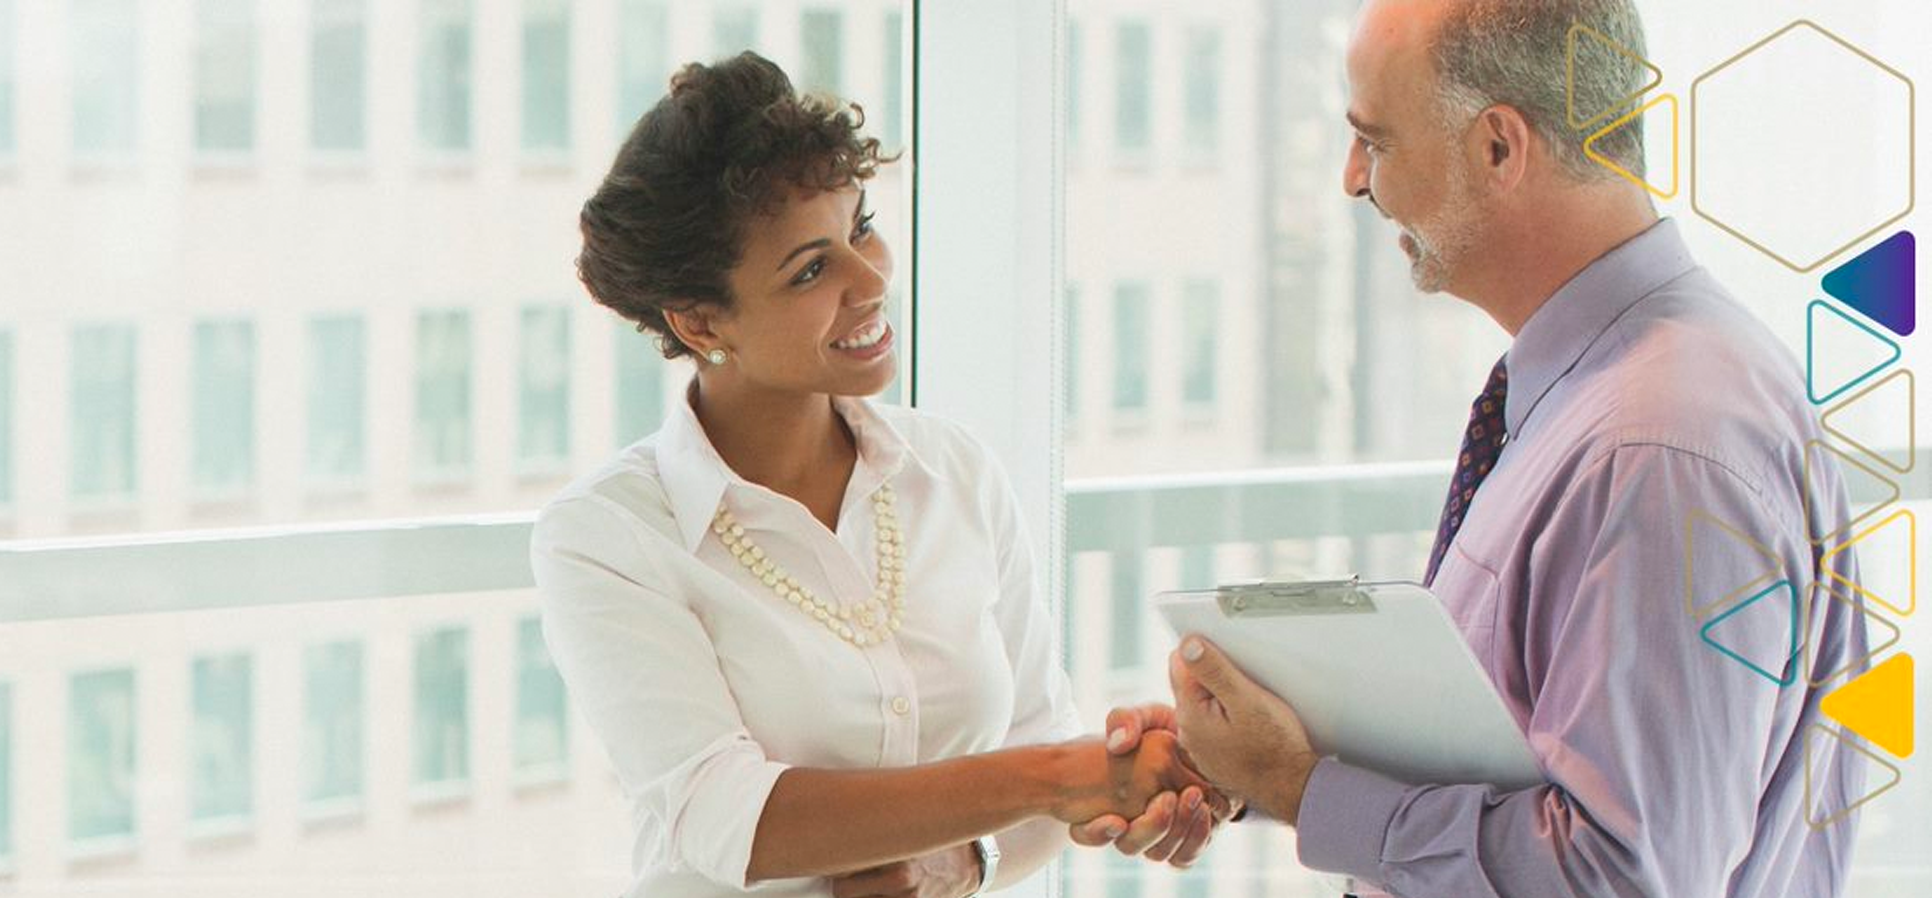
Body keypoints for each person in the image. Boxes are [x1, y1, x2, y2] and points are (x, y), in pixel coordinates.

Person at [1152, 1, 1866, 896]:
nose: (1352, 180)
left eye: (1375, 141)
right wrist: (1260, 754)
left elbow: (1621, 876)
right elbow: (1515, 745)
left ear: (1499, 147)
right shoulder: (1597, 395)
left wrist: (1308, 789)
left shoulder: (1661, 450)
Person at [532, 53, 1226, 898]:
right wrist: (1060, 775)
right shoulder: (608, 535)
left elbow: (1044, 743)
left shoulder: (955, 471)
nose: (871, 279)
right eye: (811, 270)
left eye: (860, 227)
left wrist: (969, 860)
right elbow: (725, 819)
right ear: (701, 320)